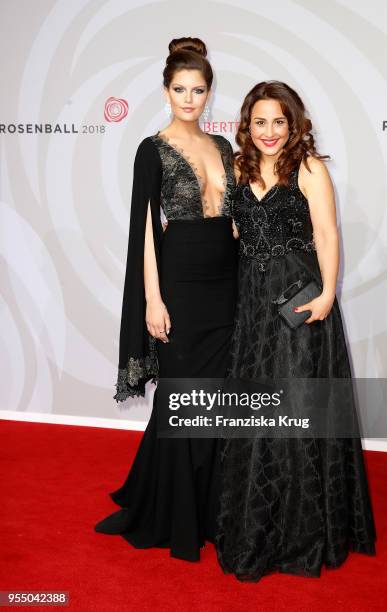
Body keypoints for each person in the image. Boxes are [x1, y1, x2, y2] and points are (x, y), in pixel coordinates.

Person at [215, 81, 376, 582]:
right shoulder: (238, 168)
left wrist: (328, 293)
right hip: (250, 303)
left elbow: (326, 233)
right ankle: (254, 524)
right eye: (259, 122)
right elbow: (235, 234)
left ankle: (303, 530)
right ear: (247, 125)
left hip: (299, 294)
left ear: (293, 124)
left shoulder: (309, 167)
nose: (269, 132)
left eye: (278, 122)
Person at [94, 37, 237, 562]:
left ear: (209, 93)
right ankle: (169, 510)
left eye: (198, 90)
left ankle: (209, 509)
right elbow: (146, 231)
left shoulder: (224, 148)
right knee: (181, 397)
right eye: (180, 89)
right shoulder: (150, 149)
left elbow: (238, 221)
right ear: (165, 89)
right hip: (177, 280)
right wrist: (154, 299)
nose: (189, 99)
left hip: (227, 283)